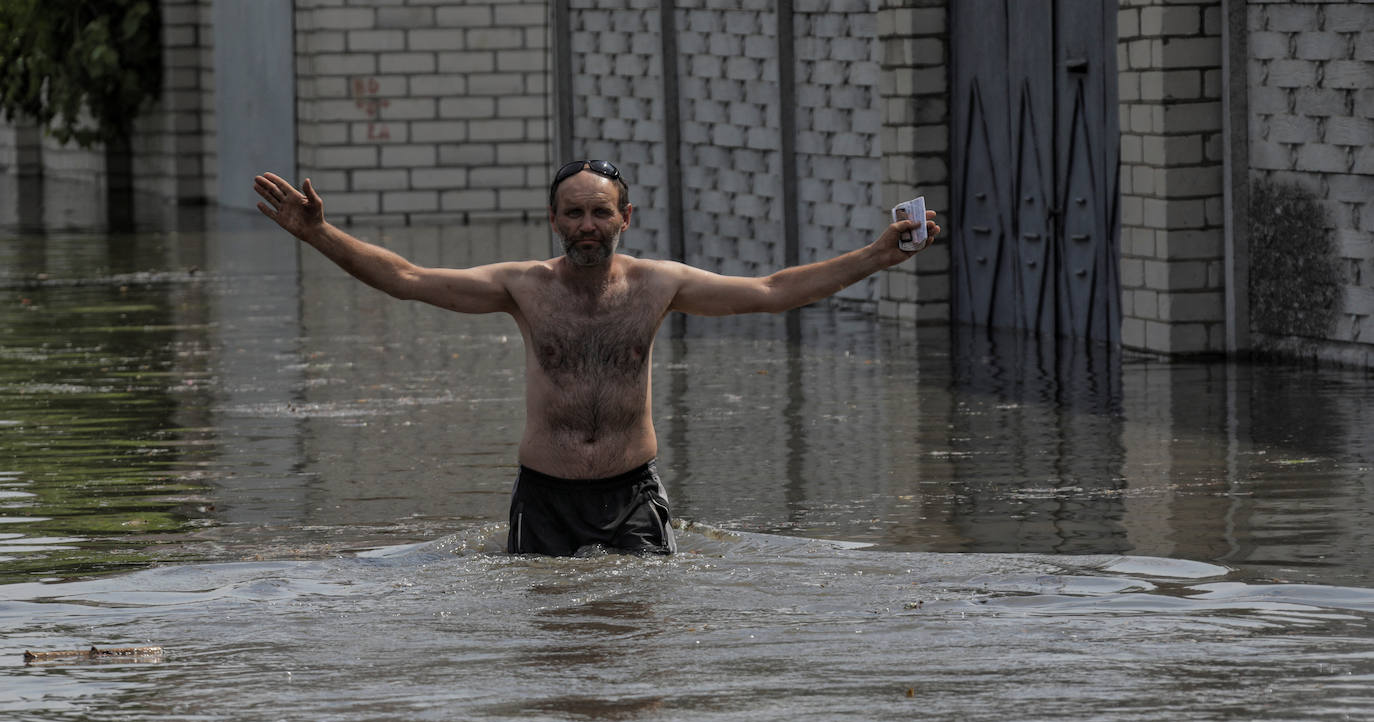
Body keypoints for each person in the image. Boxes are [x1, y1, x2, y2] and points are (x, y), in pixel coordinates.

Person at [253, 159, 940, 557]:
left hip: (631, 494)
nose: (588, 226)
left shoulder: (657, 284)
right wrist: (318, 235)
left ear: (625, 218)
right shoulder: (520, 286)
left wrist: (878, 255)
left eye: (600, 213)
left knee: (638, 638)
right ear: (553, 220)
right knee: (551, 645)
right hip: (544, 499)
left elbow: (769, 292)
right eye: (574, 213)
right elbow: (404, 279)